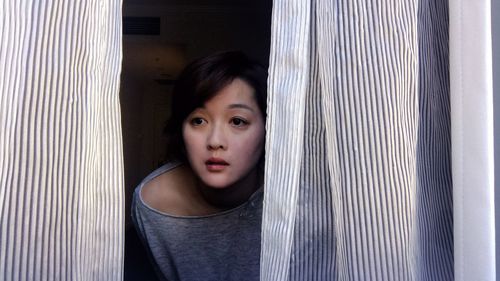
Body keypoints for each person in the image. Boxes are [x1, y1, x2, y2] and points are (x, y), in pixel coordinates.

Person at [131, 51, 267, 281]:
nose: (215, 141)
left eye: (237, 121)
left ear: (267, 130)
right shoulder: (154, 203)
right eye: (198, 121)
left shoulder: (297, 199)